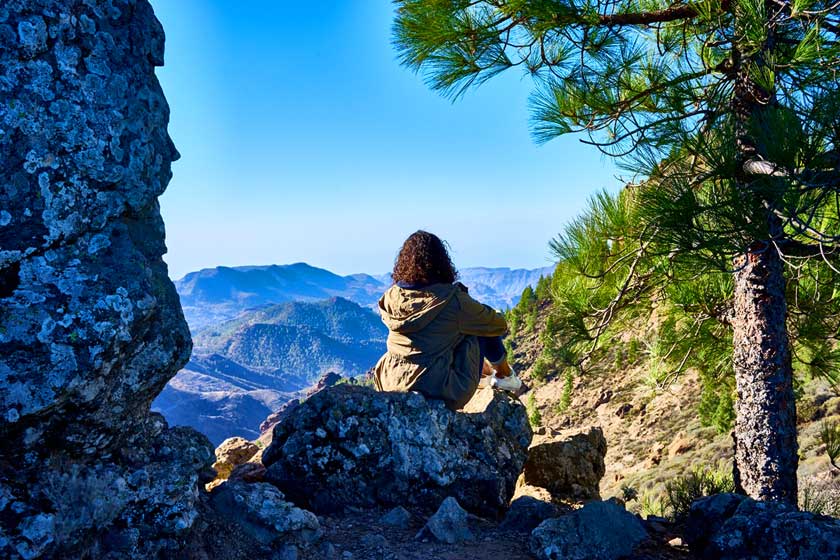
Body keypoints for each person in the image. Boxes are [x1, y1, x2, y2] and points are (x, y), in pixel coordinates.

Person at [373, 230, 522, 409]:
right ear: (441, 262)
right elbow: (498, 325)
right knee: (480, 324)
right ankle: (504, 376)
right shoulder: (452, 301)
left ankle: (491, 375)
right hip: (437, 389)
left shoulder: (391, 296)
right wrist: (479, 309)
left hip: (388, 380)